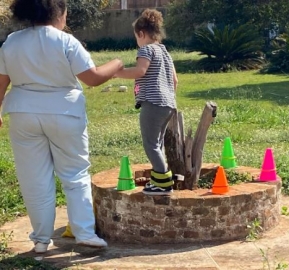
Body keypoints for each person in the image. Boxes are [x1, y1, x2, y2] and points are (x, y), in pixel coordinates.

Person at [0, 0, 123, 253]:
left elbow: (1, 83)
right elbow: (93, 78)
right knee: (75, 174)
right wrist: (117, 63)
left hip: (23, 113)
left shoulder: (12, 41)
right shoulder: (66, 41)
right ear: (59, 13)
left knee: (34, 179)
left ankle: (41, 240)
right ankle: (84, 232)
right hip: (64, 112)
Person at [115, 9, 179, 196]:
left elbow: (140, 71)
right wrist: (168, 97)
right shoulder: (164, 51)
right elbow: (175, 80)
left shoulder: (146, 49)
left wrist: (116, 72)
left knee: (150, 144)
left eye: (136, 37)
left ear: (141, 33)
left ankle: (163, 183)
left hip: (152, 102)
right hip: (168, 104)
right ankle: (160, 180)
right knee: (157, 143)